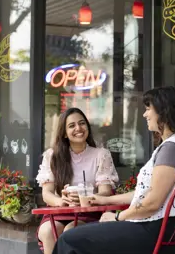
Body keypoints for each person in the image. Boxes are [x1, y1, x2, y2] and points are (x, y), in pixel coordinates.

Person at [52, 86, 175, 254]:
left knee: (69, 239)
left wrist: (117, 217)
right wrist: (105, 201)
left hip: (152, 232)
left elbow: (151, 203)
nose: (145, 114)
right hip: (159, 230)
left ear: (163, 113)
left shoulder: (172, 149)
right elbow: (146, 194)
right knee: (78, 236)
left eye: (148, 109)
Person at [36, 107, 119, 254]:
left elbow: (106, 192)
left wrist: (86, 197)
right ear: (64, 133)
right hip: (58, 212)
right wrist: (61, 201)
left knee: (71, 231)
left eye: (82, 123)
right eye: (71, 125)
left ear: (87, 126)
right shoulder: (52, 156)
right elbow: (47, 193)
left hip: (89, 213)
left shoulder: (101, 154)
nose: (78, 128)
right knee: (48, 231)